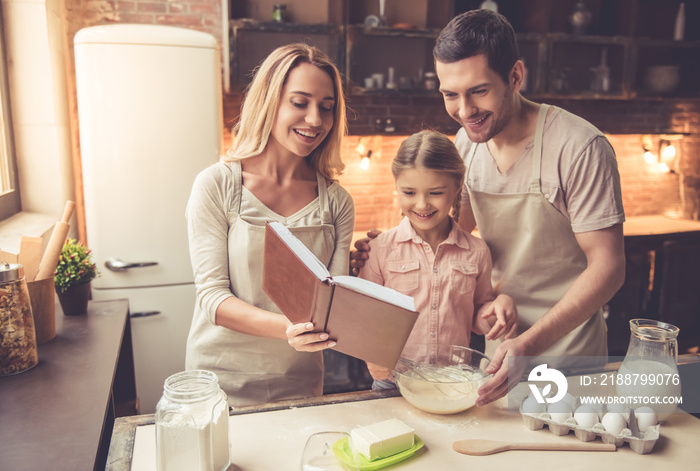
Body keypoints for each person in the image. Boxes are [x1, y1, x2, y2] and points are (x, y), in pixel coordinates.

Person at [352, 10, 626, 405]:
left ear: (515, 76)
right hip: (497, 355)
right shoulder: (466, 145)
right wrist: (389, 245)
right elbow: (447, 233)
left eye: (478, 91)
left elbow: (609, 268)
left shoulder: (579, 147)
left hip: (569, 355)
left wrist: (530, 343)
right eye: (450, 94)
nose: (464, 111)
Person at [185, 43, 355, 407]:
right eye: (299, 102)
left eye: (327, 108)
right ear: (270, 101)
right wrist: (289, 330)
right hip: (220, 380)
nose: (315, 120)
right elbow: (213, 298)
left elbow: (332, 305)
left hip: (300, 380)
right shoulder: (218, 185)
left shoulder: (337, 202)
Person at [356, 130, 518, 390]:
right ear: (396, 186)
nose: (422, 204)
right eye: (409, 192)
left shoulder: (477, 251)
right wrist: (372, 358)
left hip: (453, 382)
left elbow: (478, 321)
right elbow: (363, 317)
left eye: (435, 193)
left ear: (457, 188)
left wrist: (499, 307)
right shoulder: (378, 249)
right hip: (393, 382)